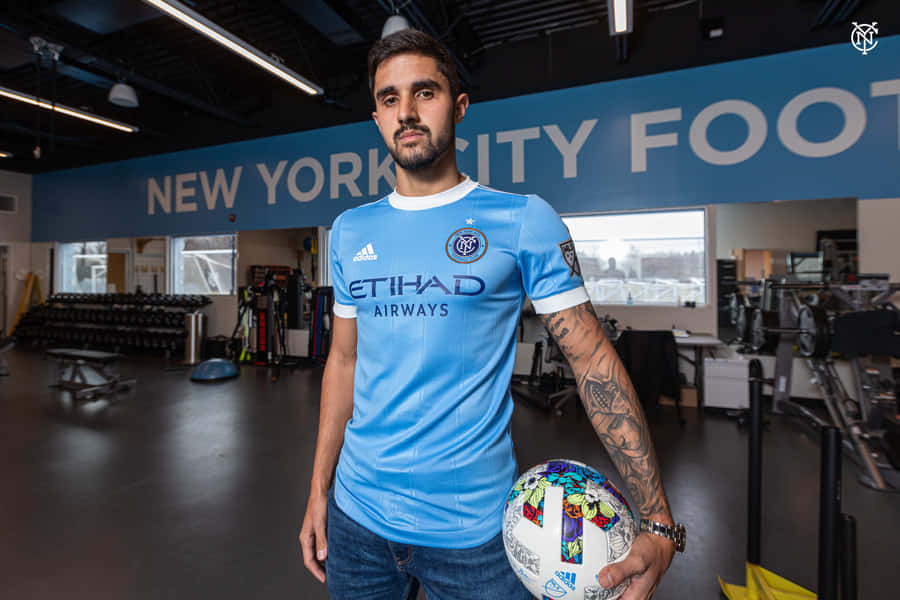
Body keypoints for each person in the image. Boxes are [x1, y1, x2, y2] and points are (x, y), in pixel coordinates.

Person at [299, 29, 683, 600]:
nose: (406, 112)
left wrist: (656, 518)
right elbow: (344, 361)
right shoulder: (351, 230)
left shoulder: (524, 220)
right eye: (389, 99)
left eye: (424, 92)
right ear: (377, 118)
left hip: (474, 537)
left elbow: (591, 360)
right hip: (356, 521)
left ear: (458, 107)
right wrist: (319, 490)